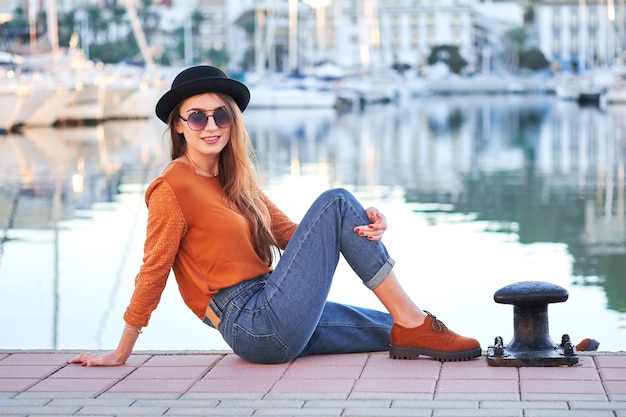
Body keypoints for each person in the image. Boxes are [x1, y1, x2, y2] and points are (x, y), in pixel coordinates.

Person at [69, 65, 481, 366]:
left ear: (233, 120)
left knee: (388, 327)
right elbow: (153, 269)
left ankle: (420, 326)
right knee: (336, 201)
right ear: (178, 126)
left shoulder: (237, 183)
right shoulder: (171, 187)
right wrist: (121, 351)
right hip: (252, 323)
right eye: (197, 116)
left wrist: (363, 225)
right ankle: (414, 319)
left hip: (277, 306)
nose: (210, 125)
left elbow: (297, 237)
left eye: (221, 115)